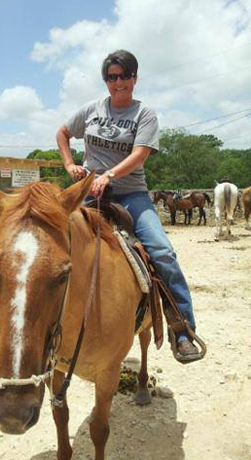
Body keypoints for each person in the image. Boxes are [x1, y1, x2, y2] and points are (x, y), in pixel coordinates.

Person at [56, 49, 201, 362]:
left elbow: (140, 154)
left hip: (131, 195)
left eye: (124, 75)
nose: (118, 81)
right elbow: (63, 133)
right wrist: (70, 165)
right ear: (105, 80)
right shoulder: (92, 109)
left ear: (135, 78)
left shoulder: (144, 114)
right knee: (49, 238)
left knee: (162, 251)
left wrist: (108, 175)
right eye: (112, 76)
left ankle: (182, 329)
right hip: (90, 191)